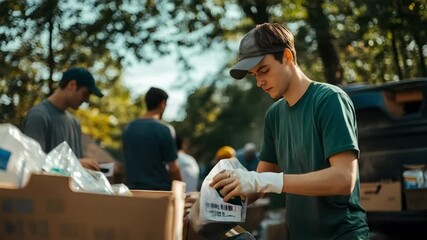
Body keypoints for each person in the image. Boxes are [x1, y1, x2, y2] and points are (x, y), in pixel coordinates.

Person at [210, 23, 369, 239]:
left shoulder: (330, 100)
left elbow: (343, 179)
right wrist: (211, 196)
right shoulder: (274, 115)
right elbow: (260, 182)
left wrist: (265, 180)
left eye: (263, 70)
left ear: (287, 56)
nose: (259, 82)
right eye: (253, 75)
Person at [22, 67, 102, 170]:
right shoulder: (38, 116)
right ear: (72, 85)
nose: (87, 100)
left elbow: (77, 168)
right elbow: (32, 163)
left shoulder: (75, 123)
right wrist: (75, 164)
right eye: (85, 94)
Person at [122, 87, 182, 191]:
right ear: (162, 103)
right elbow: (174, 169)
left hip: (132, 190)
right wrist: (181, 190)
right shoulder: (164, 129)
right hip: (159, 191)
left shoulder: (128, 128)